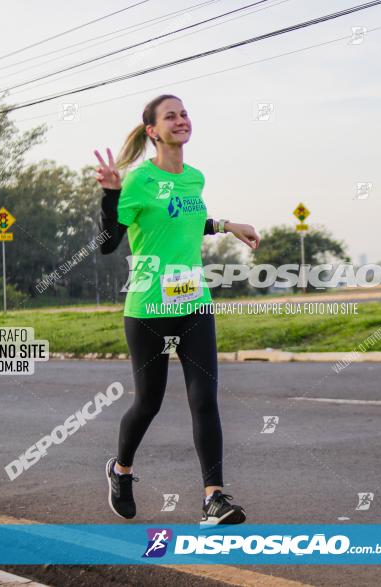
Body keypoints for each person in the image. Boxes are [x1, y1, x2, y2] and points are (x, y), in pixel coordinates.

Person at [96, 94, 260, 525]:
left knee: (204, 399)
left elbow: (183, 219)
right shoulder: (136, 181)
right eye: (171, 116)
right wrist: (110, 195)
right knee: (148, 403)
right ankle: (121, 469)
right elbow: (110, 240)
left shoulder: (194, 178)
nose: (181, 120)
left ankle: (214, 497)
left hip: (193, 304)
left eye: (184, 113)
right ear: (152, 130)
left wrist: (227, 225)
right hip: (148, 307)